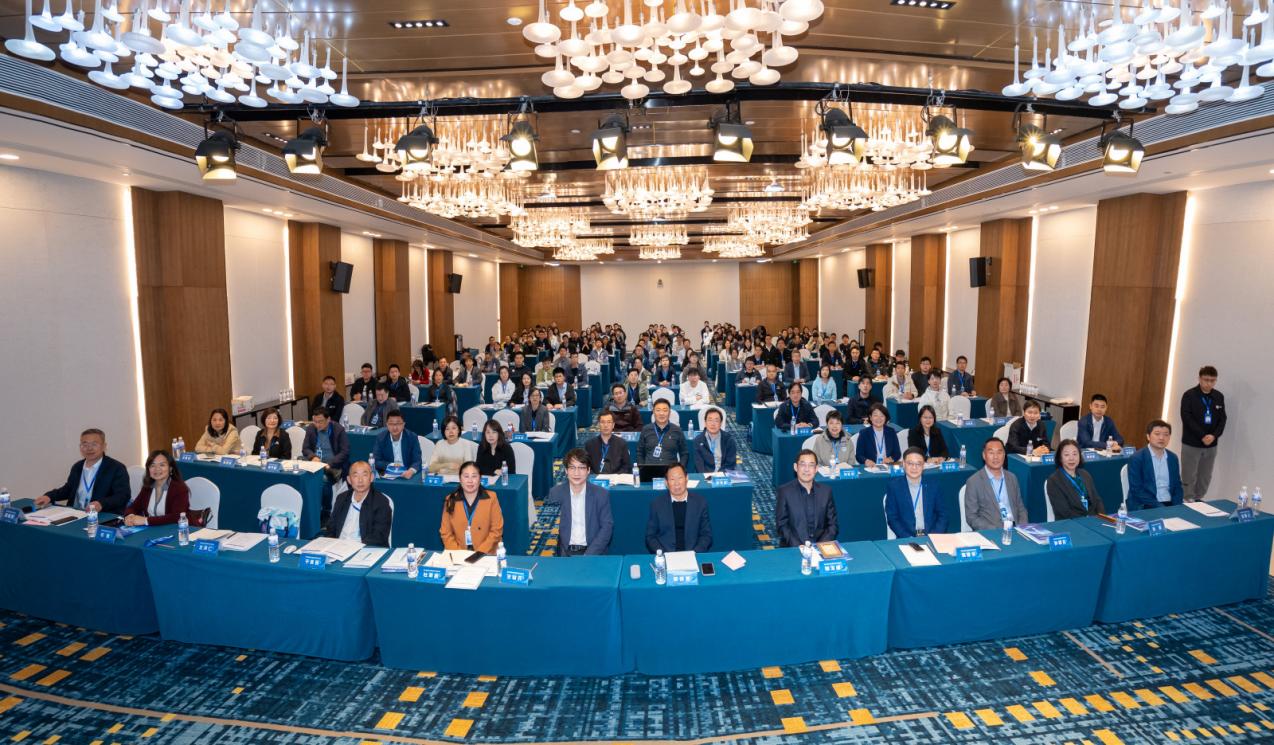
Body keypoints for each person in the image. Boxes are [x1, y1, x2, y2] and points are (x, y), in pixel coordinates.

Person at [36, 428, 131, 513]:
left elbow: (123, 495)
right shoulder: (77, 466)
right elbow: (68, 489)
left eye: (94, 444)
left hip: (101, 515)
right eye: (85, 444)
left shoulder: (116, 468)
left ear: (104, 446)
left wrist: (101, 503)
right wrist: (49, 496)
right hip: (75, 513)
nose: (89, 448)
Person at [549, 449, 613, 555]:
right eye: (572, 468)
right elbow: (552, 529)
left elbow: (607, 527)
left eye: (581, 468)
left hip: (592, 552)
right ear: (566, 470)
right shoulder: (556, 493)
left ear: (588, 470)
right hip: (564, 552)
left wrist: (588, 555)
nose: (576, 473)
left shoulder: (601, 494)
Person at [774, 449, 839, 547]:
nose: (807, 469)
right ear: (795, 467)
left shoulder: (826, 491)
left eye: (811, 465)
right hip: (794, 548)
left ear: (816, 469)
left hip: (820, 547)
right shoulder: (784, 492)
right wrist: (798, 546)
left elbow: (833, 525)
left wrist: (819, 546)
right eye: (802, 464)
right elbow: (782, 525)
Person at [1180, 365, 1226, 502]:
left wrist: (1214, 435)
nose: (1209, 383)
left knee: (1205, 475)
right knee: (1189, 473)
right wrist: (1202, 435)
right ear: (1199, 379)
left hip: (1211, 444)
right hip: (1192, 443)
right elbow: (1186, 417)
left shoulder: (1218, 396)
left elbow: (1223, 419)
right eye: (1206, 380)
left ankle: (1199, 498)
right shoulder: (1189, 395)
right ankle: (1187, 498)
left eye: (1212, 380)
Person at [645, 463, 713, 553]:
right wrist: (663, 554)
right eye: (672, 479)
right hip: (666, 554)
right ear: (666, 483)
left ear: (686, 478)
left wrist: (695, 553)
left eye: (680, 478)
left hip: (693, 553)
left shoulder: (700, 503)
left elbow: (706, 535)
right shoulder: (657, 504)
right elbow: (650, 536)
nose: (676, 483)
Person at [963, 437, 1028, 530]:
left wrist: (1022, 527)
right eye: (991, 453)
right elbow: (972, 517)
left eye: (999, 452)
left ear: (1004, 455)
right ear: (984, 455)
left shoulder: (1012, 478)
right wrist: (996, 530)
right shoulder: (974, 482)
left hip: (1015, 529)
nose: (996, 457)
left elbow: (1021, 508)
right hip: (991, 531)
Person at [440, 461, 505, 552]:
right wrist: (459, 554)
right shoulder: (450, 500)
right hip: (458, 553)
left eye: (474, 476)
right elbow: (445, 533)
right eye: (466, 476)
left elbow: (496, 531)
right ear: (460, 479)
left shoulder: (491, 498)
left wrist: (478, 554)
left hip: (486, 552)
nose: (470, 481)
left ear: (480, 478)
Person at [885, 447, 950, 538]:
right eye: (910, 463)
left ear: (923, 466)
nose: (914, 467)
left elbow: (943, 515)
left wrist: (934, 536)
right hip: (907, 538)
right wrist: (907, 537)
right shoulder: (894, 487)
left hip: (932, 536)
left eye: (918, 464)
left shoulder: (934, 485)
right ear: (903, 464)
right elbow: (892, 518)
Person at [328, 461, 393, 547]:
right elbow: (331, 528)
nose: (360, 480)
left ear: (371, 477)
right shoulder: (341, 498)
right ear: (349, 480)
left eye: (364, 475)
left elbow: (379, 536)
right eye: (355, 476)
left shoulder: (381, 502)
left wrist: (355, 547)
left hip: (364, 548)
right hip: (338, 547)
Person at [122, 449, 191, 527]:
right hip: (153, 529)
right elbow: (134, 507)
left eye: (162, 465)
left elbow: (176, 517)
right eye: (152, 465)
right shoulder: (147, 487)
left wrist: (146, 520)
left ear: (170, 468)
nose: (157, 469)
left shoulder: (179, 488)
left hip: (178, 529)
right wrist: (130, 516)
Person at [1126, 420, 1184, 510]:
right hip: (1145, 504)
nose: (1161, 438)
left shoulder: (1172, 458)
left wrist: (1177, 506)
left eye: (1166, 434)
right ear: (1148, 436)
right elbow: (1137, 490)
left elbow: (1177, 486)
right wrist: (1161, 508)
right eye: (1157, 434)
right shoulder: (1137, 458)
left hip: (1169, 503)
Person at [1046, 439, 1105, 519]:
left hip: (1093, 520)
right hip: (1071, 522)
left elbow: (1097, 501)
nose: (1071, 458)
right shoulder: (1054, 481)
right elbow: (1064, 512)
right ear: (1060, 458)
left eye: (1075, 454)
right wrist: (1087, 521)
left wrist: (1102, 518)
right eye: (1066, 455)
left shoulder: (1085, 474)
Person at [637, 399, 690, 467]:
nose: (661, 413)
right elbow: (640, 452)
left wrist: (680, 469)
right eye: (658, 410)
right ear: (653, 412)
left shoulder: (677, 430)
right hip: (650, 470)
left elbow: (684, 453)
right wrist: (642, 468)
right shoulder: (646, 430)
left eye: (665, 410)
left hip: (671, 471)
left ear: (669, 413)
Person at [302, 409, 351, 479]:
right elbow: (305, 448)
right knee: (300, 460)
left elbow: (345, 452)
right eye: (315, 421)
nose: (317, 425)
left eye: (320, 422)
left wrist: (330, 463)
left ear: (328, 419)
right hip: (315, 463)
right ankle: (327, 471)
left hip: (332, 464)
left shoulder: (338, 429)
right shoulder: (311, 428)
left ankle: (328, 471)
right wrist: (313, 457)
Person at [372, 411, 422, 479]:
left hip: (407, 473)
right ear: (387, 424)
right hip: (389, 474)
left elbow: (417, 460)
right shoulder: (381, 438)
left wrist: (411, 471)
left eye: (398, 424)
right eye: (391, 424)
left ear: (403, 424)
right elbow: (375, 461)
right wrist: (391, 465)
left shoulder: (412, 437)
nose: (395, 427)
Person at [584, 411, 633, 475]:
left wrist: (615, 476)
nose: (606, 425)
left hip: (616, 479)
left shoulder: (622, 444)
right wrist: (595, 476)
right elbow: (587, 466)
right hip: (596, 478)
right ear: (598, 424)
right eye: (603, 422)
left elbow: (627, 466)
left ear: (613, 425)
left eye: (609, 422)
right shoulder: (589, 444)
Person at [692, 407, 737, 473]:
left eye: (716, 421)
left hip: (723, 475)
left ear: (720, 423)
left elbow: (730, 464)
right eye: (710, 420)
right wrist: (708, 476)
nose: (713, 424)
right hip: (705, 475)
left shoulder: (729, 440)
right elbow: (699, 465)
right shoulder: (698, 441)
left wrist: (719, 475)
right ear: (705, 423)